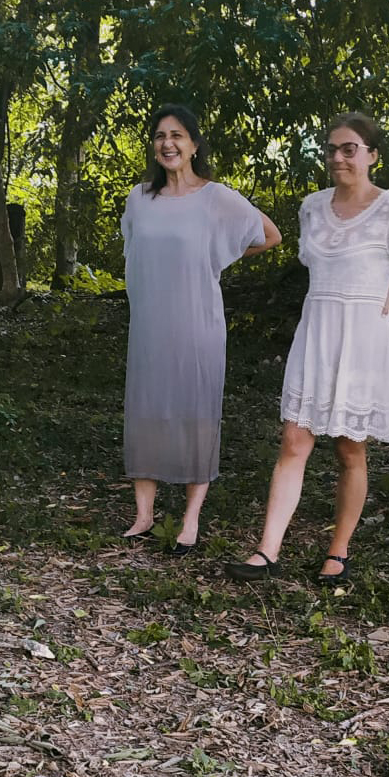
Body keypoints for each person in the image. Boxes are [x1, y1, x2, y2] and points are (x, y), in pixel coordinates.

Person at [226, 112, 389, 583]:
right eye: (332, 149)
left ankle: (338, 552)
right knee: (294, 440)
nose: (338, 157)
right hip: (317, 331)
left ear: (372, 155)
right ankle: (267, 550)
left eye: (350, 149)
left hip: (363, 337)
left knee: (349, 449)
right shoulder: (311, 207)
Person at [120, 104, 280, 553]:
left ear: (193, 144)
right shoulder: (139, 199)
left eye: (177, 135)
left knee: (197, 414)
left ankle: (190, 520)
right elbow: (134, 253)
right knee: (146, 411)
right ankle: (144, 515)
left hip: (197, 326)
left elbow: (270, 235)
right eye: (159, 136)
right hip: (150, 325)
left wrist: (217, 253)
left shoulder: (216, 198)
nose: (167, 143)